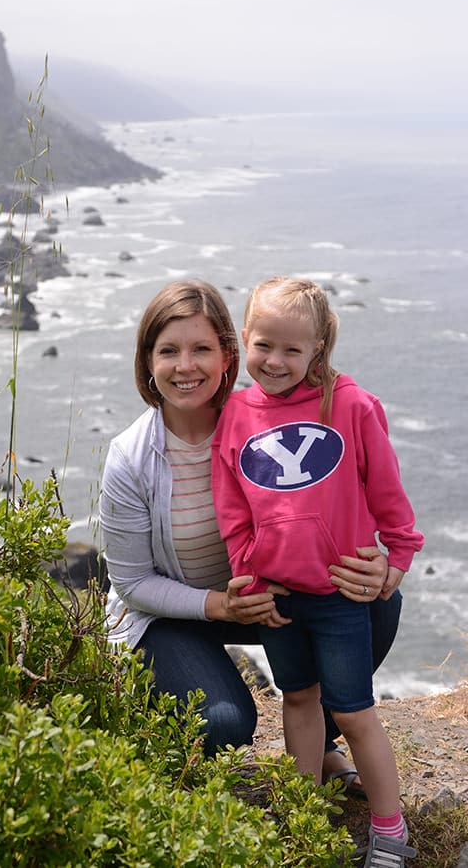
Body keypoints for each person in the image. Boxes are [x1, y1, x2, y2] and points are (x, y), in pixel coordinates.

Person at [99, 278, 399, 779]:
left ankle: (319, 743)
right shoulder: (130, 458)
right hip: (176, 615)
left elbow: (339, 493)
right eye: (168, 350)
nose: (186, 366)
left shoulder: (263, 420)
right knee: (222, 723)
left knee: (378, 606)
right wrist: (221, 605)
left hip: (266, 597)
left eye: (201, 349)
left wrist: (382, 559)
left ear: (227, 353)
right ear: (148, 361)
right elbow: (130, 584)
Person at [212, 276, 424, 866]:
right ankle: (302, 815)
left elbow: (388, 495)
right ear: (244, 341)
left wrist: (399, 556)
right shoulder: (234, 414)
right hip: (277, 596)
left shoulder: (351, 406)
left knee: (354, 711)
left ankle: (390, 833)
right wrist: (248, 575)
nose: (274, 361)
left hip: (337, 595)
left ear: (318, 350)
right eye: (263, 345)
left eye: (291, 349)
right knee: (298, 700)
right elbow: (232, 508)